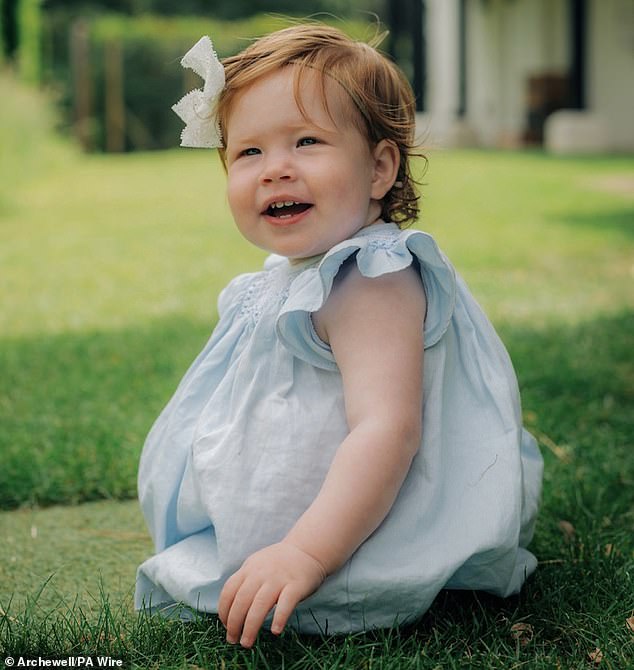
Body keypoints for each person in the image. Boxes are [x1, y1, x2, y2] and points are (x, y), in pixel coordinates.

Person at [135, 24, 543, 649]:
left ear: (380, 167)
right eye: (248, 153)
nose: (275, 170)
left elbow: (388, 429)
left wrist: (303, 552)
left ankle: (318, 568)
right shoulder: (293, 276)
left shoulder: (371, 278)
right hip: (317, 522)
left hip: (347, 535)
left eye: (306, 141)